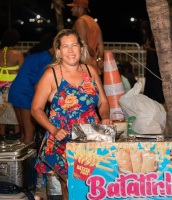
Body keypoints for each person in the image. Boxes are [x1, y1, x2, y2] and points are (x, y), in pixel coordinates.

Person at [31, 29, 112, 200]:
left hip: (92, 135)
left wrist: (104, 116)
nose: (70, 50)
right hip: (62, 138)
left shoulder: (90, 71)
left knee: (95, 182)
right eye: (65, 46)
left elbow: (103, 102)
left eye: (74, 45)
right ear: (58, 51)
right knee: (72, 185)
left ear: (81, 48)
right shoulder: (51, 74)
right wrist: (53, 130)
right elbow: (36, 109)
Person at [8, 33, 55, 142]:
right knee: (29, 136)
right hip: (26, 94)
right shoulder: (46, 57)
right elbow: (38, 86)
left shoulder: (34, 53)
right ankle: (29, 159)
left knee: (23, 134)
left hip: (15, 91)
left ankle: (21, 159)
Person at [66, 0, 104, 76]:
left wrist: (94, 55)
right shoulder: (94, 22)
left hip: (84, 66)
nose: (71, 9)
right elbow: (100, 44)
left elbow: (83, 44)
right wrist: (99, 58)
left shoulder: (80, 21)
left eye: (73, 7)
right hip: (94, 67)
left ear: (80, 8)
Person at [0, 29, 24, 139]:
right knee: (15, 112)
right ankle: (16, 135)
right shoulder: (17, 55)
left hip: (0, 86)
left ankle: (2, 134)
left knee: (1, 111)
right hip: (13, 86)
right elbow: (23, 72)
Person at [141, 20, 165, 104]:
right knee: (149, 77)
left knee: (155, 77)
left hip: (155, 59)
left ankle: (159, 97)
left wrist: (150, 49)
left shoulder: (155, 35)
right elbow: (145, 46)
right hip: (150, 59)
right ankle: (149, 96)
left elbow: (159, 49)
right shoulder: (148, 35)